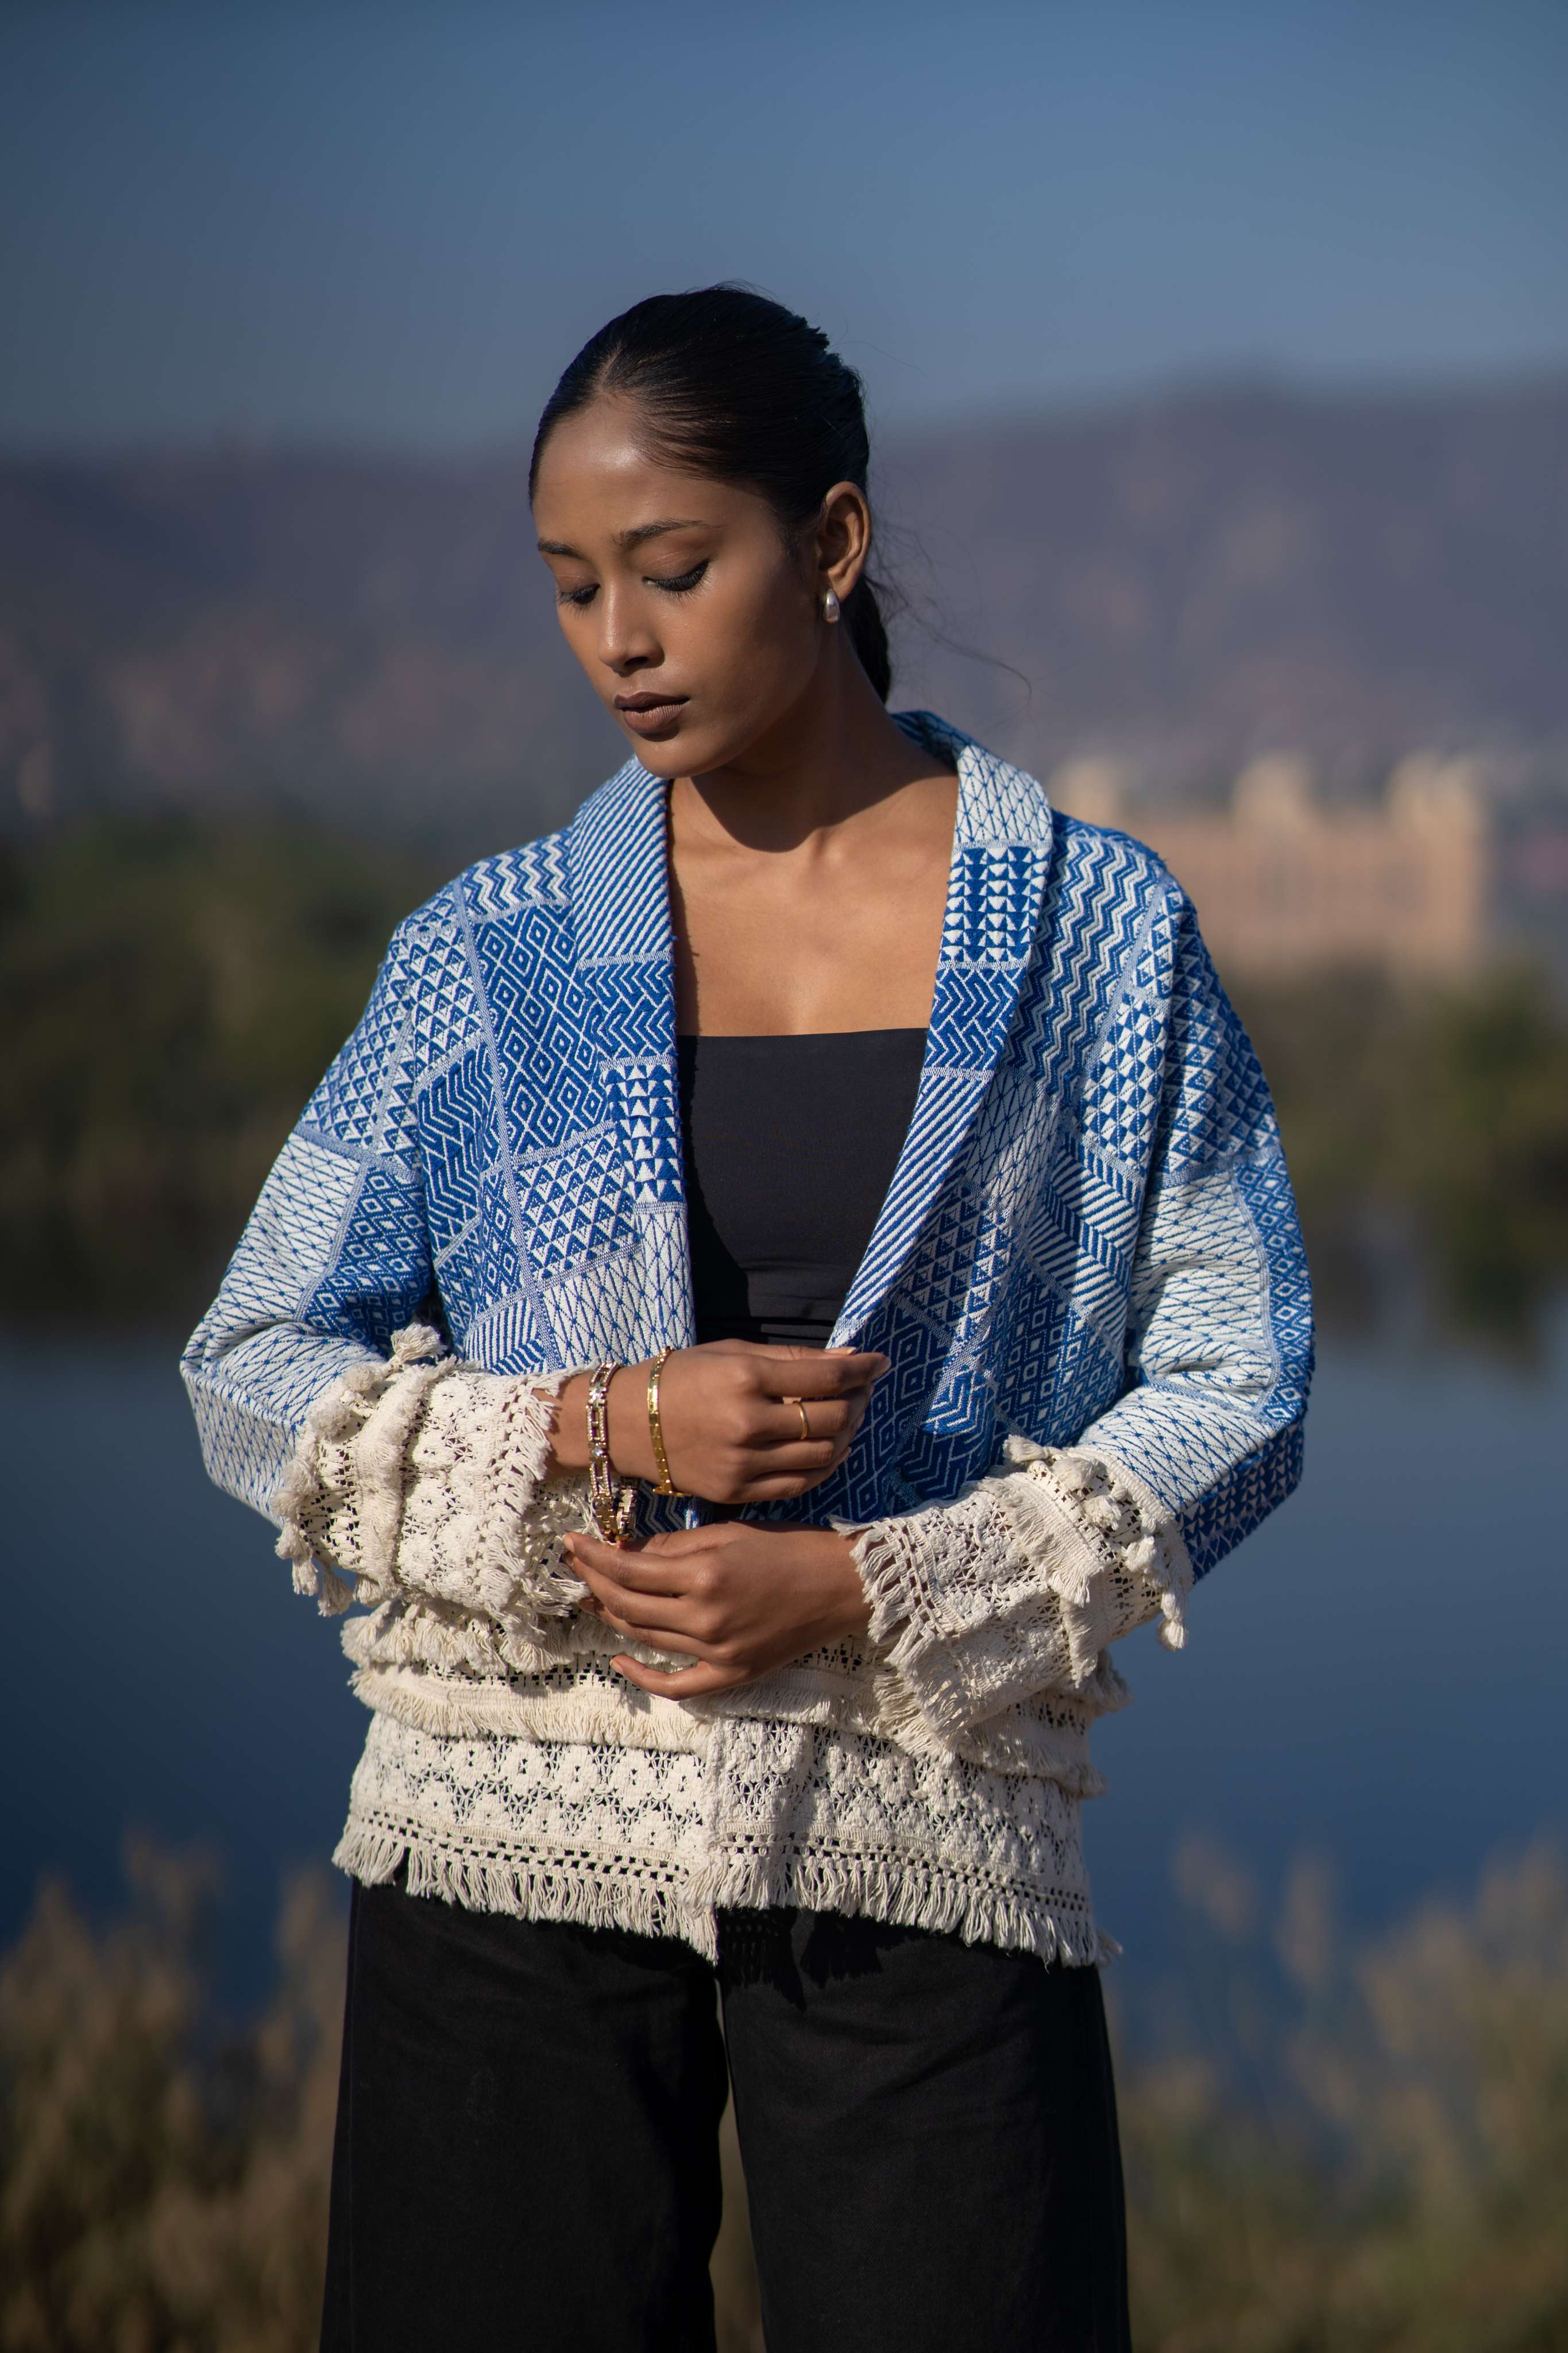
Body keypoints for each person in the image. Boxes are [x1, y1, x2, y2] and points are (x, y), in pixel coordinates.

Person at [183, 285, 1312, 2353]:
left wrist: (868, 1584)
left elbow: (1243, 1370)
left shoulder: (1095, 936)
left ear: (834, 543)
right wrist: (604, 1422)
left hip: (923, 1825)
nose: (618, 636)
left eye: (672, 570)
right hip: (505, 1828)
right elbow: (250, 1374)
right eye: (568, 588)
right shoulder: (491, 955)